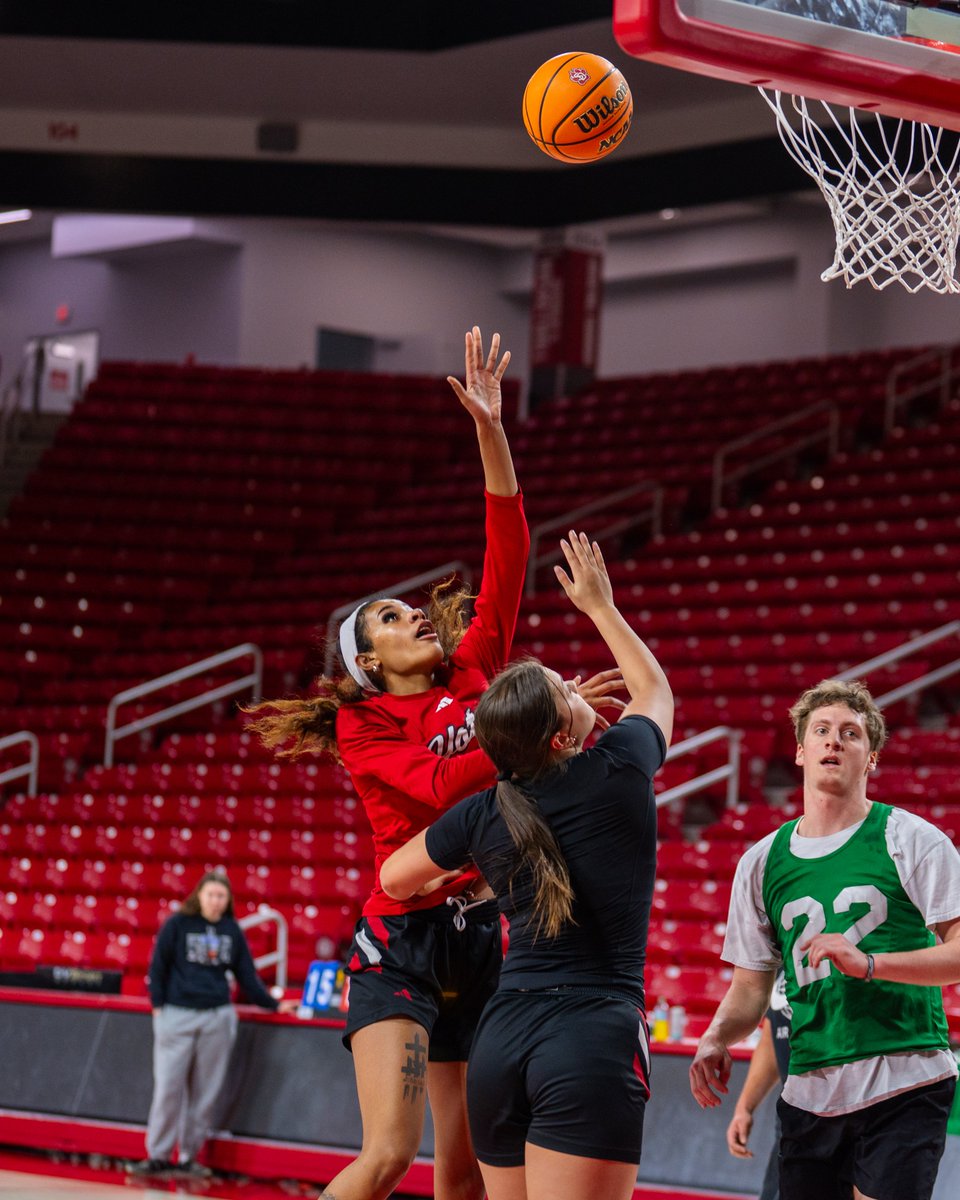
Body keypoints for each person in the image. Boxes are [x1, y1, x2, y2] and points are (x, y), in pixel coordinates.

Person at [246, 329, 620, 1200]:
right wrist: (534, 718)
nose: (413, 612)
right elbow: (443, 791)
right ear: (367, 661)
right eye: (387, 616)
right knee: (386, 1158)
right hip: (402, 939)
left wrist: (492, 428)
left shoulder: (476, 667)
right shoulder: (367, 724)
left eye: (407, 605)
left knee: (468, 1177)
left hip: (481, 938)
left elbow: (510, 545)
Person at [379, 530, 674, 1200]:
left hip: (502, 1037)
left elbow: (395, 878)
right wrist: (600, 607)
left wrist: (483, 872)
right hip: (590, 1036)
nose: (575, 685)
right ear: (564, 734)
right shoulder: (621, 765)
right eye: (564, 688)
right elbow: (654, 690)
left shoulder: (485, 812)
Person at [690, 678, 960, 1200]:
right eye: (822, 730)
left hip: (905, 1074)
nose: (834, 740)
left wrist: (871, 964)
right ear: (800, 751)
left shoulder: (912, 839)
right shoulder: (761, 862)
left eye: (851, 733)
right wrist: (716, 1035)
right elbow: (751, 990)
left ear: (871, 758)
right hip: (811, 1085)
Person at [132, 870, 298, 1179]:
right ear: (199, 896)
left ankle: (188, 1158)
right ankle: (157, 1155)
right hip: (176, 1015)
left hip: (217, 1017)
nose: (215, 901)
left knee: (205, 1093)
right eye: (210, 894)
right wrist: (157, 1008)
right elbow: (158, 966)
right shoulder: (177, 924)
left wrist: (274, 1004)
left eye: (221, 896)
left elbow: (247, 975)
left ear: (227, 900)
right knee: (169, 1088)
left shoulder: (231, 930)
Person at [726, 971, 791, 1200]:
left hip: (840, 1116)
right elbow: (773, 1034)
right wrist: (744, 1107)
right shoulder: (783, 951)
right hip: (792, 1121)